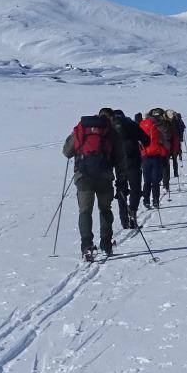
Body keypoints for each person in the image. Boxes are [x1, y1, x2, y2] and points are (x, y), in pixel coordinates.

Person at [61, 109, 117, 260]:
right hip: (105, 176)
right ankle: (106, 243)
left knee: (85, 211)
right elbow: (119, 157)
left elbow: (67, 152)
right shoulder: (110, 131)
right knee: (105, 209)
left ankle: (86, 246)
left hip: (83, 177)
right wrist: (122, 179)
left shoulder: (81, 128)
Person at [108, 109, 149, 230]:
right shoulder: (131, 124)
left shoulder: (109, 127)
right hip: (133, 161)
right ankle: (133, 214)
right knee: (135, 189)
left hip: (118, 163)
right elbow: (147, 141)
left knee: (122, 189)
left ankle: (123, 219)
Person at [139, 109, 170, 210]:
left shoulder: (141, 126)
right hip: (156, 156)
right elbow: (166, 143)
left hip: (144, 156)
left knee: (147, 180)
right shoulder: (156, 126)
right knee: (155, 181)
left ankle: (146, 200)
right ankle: (155, 201)